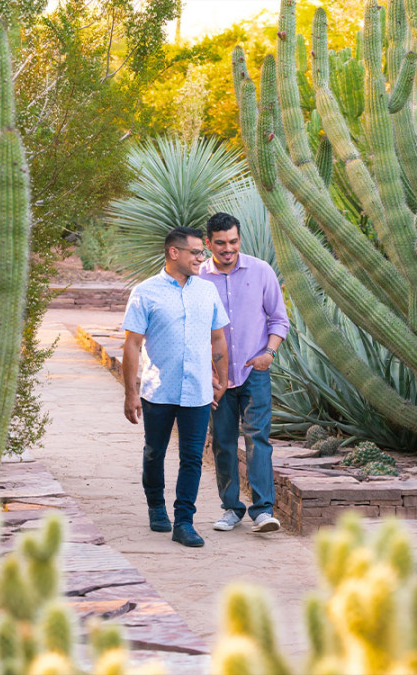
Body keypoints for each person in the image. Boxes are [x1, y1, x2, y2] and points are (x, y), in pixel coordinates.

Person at [121, 227, 230, 548]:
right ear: (174, 253)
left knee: (192, 458)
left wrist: (221, 380)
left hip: (197, 391)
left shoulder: (207, 291)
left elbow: (218, 338)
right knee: (154, 452)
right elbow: (132, 344)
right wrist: (130, 393)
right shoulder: (145, 292)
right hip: (159, 391)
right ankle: (156, 506)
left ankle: (184, 521)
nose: (202, 257)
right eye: (196, 252)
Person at [199, 212, 290, 533]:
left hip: (255, 372)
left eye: (233, 242)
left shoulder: (260, 271)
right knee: (223, 442)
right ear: (208, 242)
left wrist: (269, 353)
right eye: (221, 243)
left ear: (240, 239)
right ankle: (231, 509)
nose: (228, 248)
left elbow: (279, 319)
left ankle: (263, 510)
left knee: (258, 439)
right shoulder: (197, 278)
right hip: (216, 377)